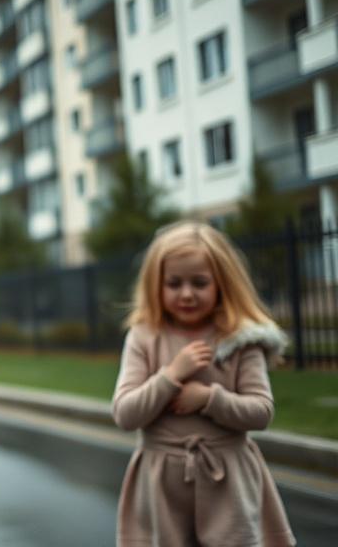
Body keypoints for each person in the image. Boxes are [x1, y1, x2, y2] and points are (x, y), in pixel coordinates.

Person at [112, 221, 295, 547]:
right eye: (173, 283)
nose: (186, 294)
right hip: (161, 483)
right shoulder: (143, 337)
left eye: (199, 283)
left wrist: (209, 398)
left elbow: (261, 412)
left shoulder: (241, 339)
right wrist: (170, 376)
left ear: (221, 284)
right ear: (157, 284)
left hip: (228, 481)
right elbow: (125, 414)